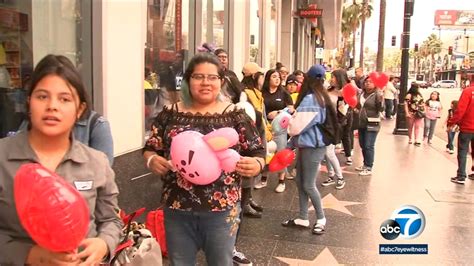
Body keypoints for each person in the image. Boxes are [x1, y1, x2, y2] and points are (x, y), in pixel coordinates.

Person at [143, 53, 265, 265]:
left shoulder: (234, 115)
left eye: (212, 77)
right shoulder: (170, 113)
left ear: (222, 81)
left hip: (222, 210)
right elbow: (151, 147)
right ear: (188, 80)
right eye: (199, 77)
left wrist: (256, 165)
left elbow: (258, 151)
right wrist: (151, 160)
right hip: (177, 207)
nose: (205, 83)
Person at [0, 54, 122, 265]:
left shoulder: (96, 162)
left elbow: (111, 220)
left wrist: (104, 244)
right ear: (29, 101)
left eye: (64, 99)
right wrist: (28, 254)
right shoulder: (2, 157)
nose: (52, 106)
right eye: (42, 97)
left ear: (80, 109)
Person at [281, 64, 332, 235]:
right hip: (309, 145)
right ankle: (303, 217)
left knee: (308, 184)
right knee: (301, 182)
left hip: (311, 146)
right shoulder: (320, 97)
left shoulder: (311, 99)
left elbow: (296, 127)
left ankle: (321, 218)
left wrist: (289, 125)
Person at [259, 69, 294, 193]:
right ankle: (263, 179)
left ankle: (281, 181)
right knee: (266, 152)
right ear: (268, 79)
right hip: (265, 127)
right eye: (274, 76)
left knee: (280, 153)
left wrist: (279, 112)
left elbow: (291, 108)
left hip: (280, 129)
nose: (277, 79)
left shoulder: (283, 93)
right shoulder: (261, 93)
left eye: (278, 77)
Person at [354, 75, 384, 176]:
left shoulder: (377, 94)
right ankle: (365, 164)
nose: (368, 83)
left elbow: (381, 108)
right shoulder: (362, 93)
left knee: (368, 145)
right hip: (361, 122)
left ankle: (369, 166)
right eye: (366, 81)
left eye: (371, 82)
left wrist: (381, 100)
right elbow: (357, 105)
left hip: (372, 122)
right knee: (362, 144)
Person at [448, 80, 474, 185]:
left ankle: (461, 175)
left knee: (463, 151)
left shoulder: (468, 91)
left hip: (467, 127)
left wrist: (452, 122)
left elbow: (460, 109)